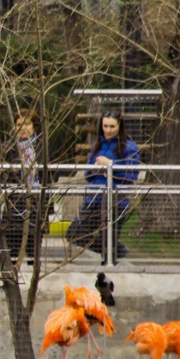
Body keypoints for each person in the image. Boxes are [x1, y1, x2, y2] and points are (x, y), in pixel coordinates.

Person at [67, 112, 141, 263]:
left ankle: (112, 255)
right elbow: (88, 175)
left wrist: (110, 165)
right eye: (105, 126)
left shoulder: (129, 148)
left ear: (119, 126)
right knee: (74, 233)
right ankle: (117, 250)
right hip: (94, 200)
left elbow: (131, 176)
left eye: (112, 126)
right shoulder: (97, 146)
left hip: (115, 201)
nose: (108, 130)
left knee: (109, 242)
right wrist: (95, 168)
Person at [0, 110, 45, 267]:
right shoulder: (7, 147)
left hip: (36, 195)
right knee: (12, 233)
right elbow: (1, 173)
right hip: (15, 196)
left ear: (34, 126)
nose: (23, 128)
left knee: (33, 233)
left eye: (27, 124)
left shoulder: (42, 146)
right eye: (19, 124)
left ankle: (32, 264)